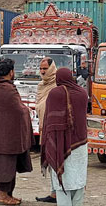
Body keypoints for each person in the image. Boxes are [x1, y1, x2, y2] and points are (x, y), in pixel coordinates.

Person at [0, 58, 34, 206]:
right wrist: (27, 110)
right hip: (6, 136)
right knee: (5, 167)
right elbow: (18, 109)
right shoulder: (7, 88)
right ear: (11, 72)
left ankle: (8, 195)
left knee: (8, 166)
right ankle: (3, 196)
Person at [41, 68, 88, 206]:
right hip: (80, 144)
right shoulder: (82, 93)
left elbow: (49, 120)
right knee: (79, 180)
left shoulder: (55, 94)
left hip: (59, 145)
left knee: (62, 184)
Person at [35, 57, 58, 203]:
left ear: (52, 69)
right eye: (41, 69)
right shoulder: (41, 86)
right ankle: (54, 192)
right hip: (44, 128)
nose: (43, 71)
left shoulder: (58, 86)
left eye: (45, 69)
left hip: (54, 130)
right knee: (50, 160)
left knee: (56, 160)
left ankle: (57, 193)